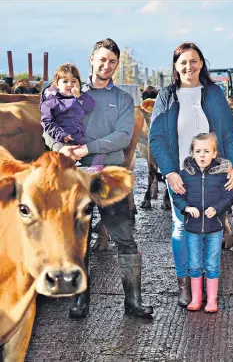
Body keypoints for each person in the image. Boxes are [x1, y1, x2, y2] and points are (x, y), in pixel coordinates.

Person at [42, 38, 153, 319]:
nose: (107, 65)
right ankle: (80, 300)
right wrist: (60, 147)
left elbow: (123, 137)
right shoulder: (67, 89)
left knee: (125, 238)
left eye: (112, 61)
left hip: (108, 176)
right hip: (75, 176)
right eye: (102, 59)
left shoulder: (123, 100)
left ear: (116, 65)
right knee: (78, 240)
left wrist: (86, 148)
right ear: (91, 59)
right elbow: (47, 128)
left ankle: (133, 301)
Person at [149, 42, 233, 308]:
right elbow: (156, 138)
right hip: (181, 173)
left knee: (212, 228)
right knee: (181, 227)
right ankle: (185, 284)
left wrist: (230, 166)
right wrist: (169, 172)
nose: (189, 66)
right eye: (182, 62)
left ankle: (207, 285)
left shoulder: (214, 94)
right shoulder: (166, 96)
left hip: (213, 173)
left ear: (202, 63)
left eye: (193, 61)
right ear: (176, 67)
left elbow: (229, 135)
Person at [173, 133, 233, 313]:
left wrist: (217, 208)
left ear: (215, 154)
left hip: (214, 227)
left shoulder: (222, 176)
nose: (202, 155)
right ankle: (196, 298)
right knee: (194, 264)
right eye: (198, 151)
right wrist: (185, 208)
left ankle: (212, 300)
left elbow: (229, 197)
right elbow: (178, 196)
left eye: (206, 151)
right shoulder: (185, 174)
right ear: (192, 153)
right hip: (192, 227)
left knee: (212, 263)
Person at [40, 63, 105, 173]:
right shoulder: (50, 103)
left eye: (74, 81)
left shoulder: (81, 98)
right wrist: (61, 135)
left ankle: (95, 167)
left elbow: (91, 107)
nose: (70, 84)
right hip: (63, 139)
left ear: (79, 83)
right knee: (62, 159)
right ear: (57, 84)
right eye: (65, 81)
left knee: (100, 147)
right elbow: (47, 122)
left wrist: (79, 96)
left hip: (81, 137)